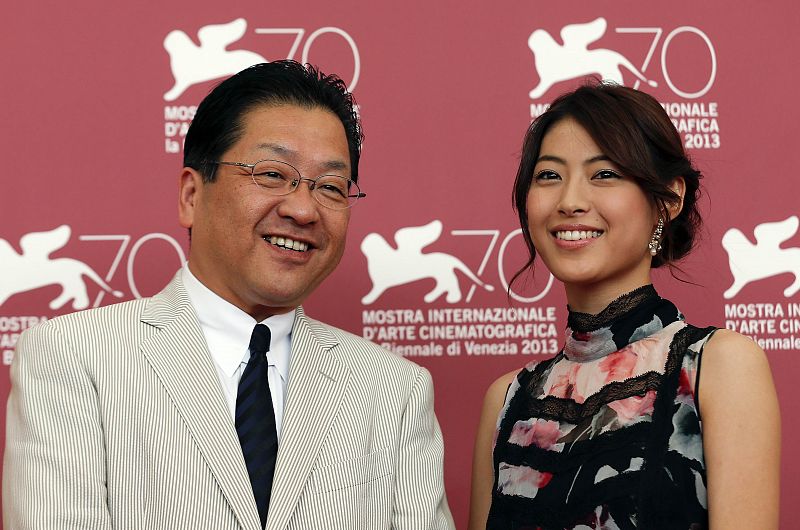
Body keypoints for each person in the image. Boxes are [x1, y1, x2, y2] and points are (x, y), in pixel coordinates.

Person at [4, 60, 454, 530]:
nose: (303, 209)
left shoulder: (394, 390)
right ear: (191, 196)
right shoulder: (75, 357)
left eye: (330, 187)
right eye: (272, 174)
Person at [468, 83, 780, 529]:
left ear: (668, 200)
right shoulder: (508, 400)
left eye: (605, 174)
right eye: (549, 176)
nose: (570, 201)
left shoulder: (717, 366)